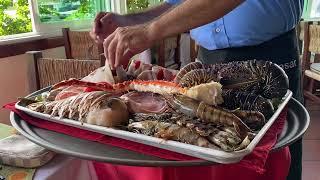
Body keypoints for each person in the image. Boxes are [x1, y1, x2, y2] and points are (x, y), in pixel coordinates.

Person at [90, 0, 304, 180]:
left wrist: (150, 31)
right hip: (208, 60)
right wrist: (131, 21)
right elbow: (179, 4)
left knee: (270, 158)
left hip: (270, 59)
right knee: (207, 154)